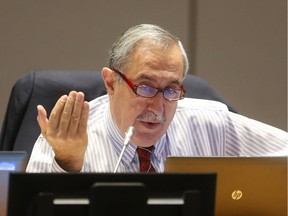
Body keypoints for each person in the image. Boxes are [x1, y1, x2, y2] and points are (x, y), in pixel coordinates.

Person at [26, 24, 288, 173]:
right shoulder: (65, 140)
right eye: (146, 87)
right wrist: (68, 164)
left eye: (171, 90)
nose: (158, 106)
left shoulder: (211, 124)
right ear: (111, 83)